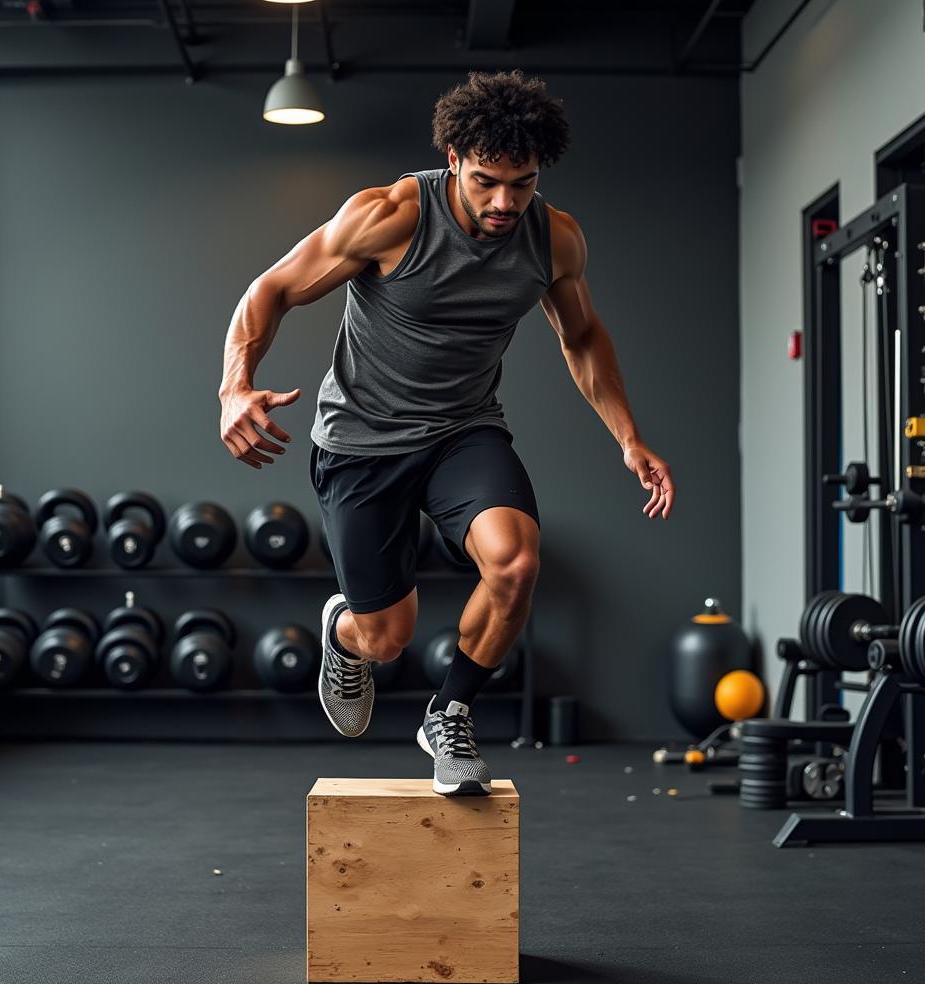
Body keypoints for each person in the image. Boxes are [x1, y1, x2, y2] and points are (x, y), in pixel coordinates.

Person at [218, 70, 674, 797]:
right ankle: (346, 633)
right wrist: (234, 387)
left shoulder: (553, 238)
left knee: (516, 564)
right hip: (361, 443)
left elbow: (582, 337)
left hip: (463, 433)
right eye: (488, 181)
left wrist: (628, 436)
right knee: (387, 638)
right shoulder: (390, 215)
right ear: (456, 158)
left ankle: (450, 710)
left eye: (521, 184)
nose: (504, 203)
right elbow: (270, 288)